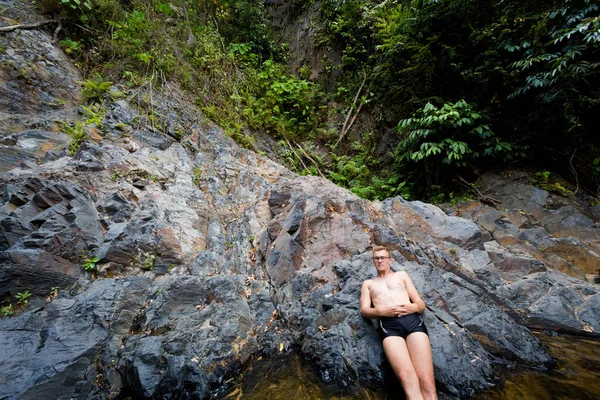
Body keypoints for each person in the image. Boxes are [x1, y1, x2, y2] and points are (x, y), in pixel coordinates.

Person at [360, 245, 437, 400]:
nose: (380, 260)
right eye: (377, 258)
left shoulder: (401, 275)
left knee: (427, 382)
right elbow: (364, 311)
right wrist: (382, 312)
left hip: (413, 322)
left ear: (390, 260)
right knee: (406, 378)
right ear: (373, 261)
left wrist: (412, 307)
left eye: (383, 257)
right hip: (389, 327)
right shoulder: (368, 284)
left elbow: (421, 304)